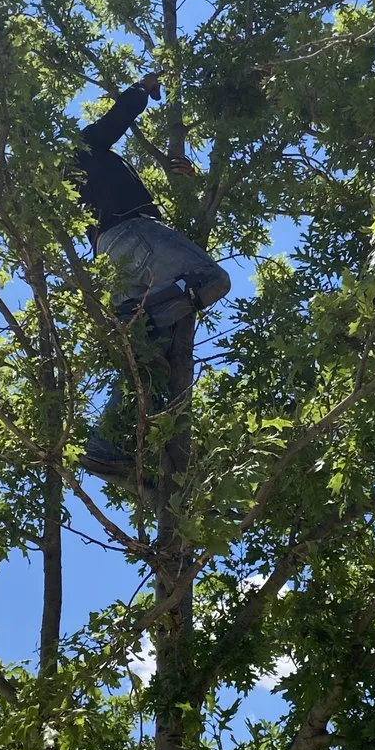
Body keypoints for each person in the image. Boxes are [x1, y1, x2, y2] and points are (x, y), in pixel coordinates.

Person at [75, 73, 231, 486]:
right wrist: (142, 90)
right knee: (212, 278)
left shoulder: (88, 180)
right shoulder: (82, 149)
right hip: (130, 235)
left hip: (116, 252)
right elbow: (114, 120)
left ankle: (106, 449)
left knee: (147, 360)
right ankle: (139, 314)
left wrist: (184, 183)